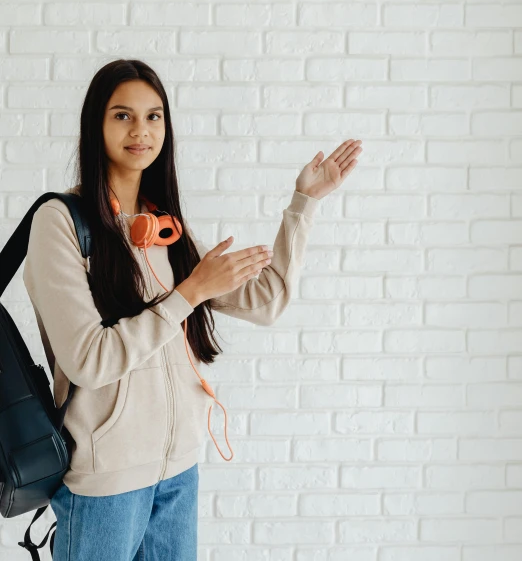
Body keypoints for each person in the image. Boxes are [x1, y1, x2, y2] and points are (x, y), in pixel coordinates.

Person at [23, 58, 362, 560]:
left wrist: (303, 204)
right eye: (123, 115)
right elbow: (88, 360)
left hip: (178, 473)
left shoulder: (163, 226)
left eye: (154, 116)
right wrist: (190, 292)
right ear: (95, 125)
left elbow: (265, 302)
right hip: (106, 483)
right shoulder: (61, 222)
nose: (141, 130)